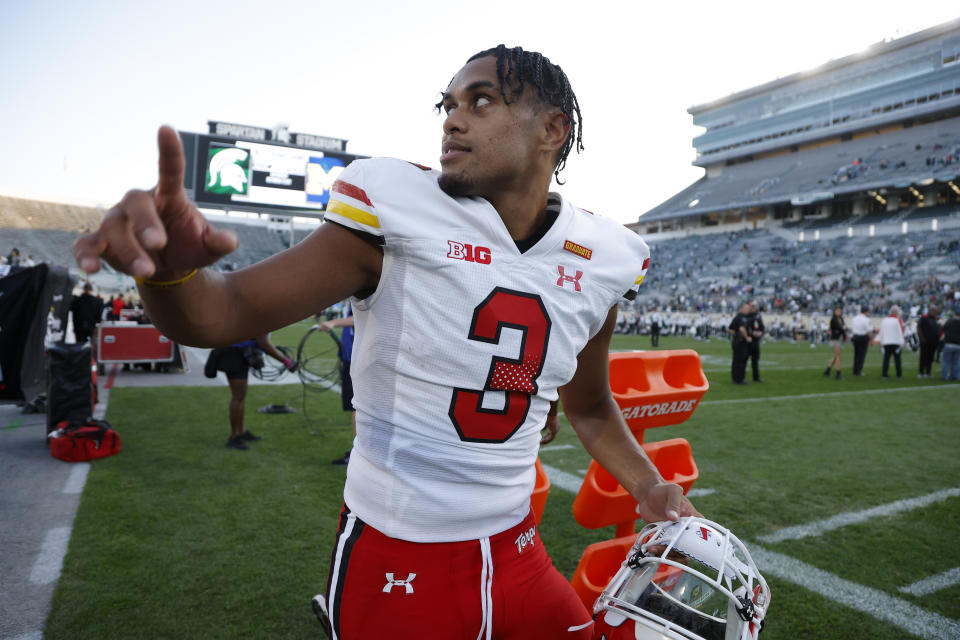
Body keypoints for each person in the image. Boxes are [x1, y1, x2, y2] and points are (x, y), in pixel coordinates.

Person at [72, 45, 698, 639]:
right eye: (447, 105)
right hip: (398, 548)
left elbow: (587, 405)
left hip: (517, 548)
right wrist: (174, 273)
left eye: (480, 101)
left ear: (552, 130)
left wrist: (648, 485)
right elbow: (219, 313)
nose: (452, 120)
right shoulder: (396, 210)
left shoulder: (604, 256)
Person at [205, 334, 297, 450]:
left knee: (241, 396)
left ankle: (241, 432)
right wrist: (287, 361)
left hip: (237, 352)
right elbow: (264, 344)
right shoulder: (263, 318)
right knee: (237, 397)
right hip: (233, 353)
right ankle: (234, 437)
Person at [318, 304, 356, 466]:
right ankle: (358, 451)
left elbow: (359, 318)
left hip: (358, 360)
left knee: (357, 408)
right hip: (350, 358)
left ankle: (358, 453)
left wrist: (334, 322)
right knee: (354, 408)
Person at [728, 302, 751, 385]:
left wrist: (736, 335)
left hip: (736, 341)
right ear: (741, 308)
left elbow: (730, 329)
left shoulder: (736, 317)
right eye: (746, 308)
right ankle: (740, 379)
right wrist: (746, 337)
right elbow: (742, 329)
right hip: (741, 342)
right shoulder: (742, 318)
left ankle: (735, 378)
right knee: (741, 361)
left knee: (735, 361)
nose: (748, 310)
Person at [879, 305, 905, 379]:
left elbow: (882, 332)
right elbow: (901, 332)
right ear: (897, 312)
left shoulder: (884, 320)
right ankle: (899, 375)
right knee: (897, 360)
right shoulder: (898, 320)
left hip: (886, 342)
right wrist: (902, 342)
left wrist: (881, 343)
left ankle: (884, 374)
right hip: (896, 342)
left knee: (886, 360)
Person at [916, 307, 940, 378]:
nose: (934, 312)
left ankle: (928, 372)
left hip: (933, 342)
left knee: (930, 357)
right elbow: (919, 327)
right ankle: (921, 372)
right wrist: (922, 338)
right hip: (925, 341)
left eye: (935, 311)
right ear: (929, 311)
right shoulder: (924, 318)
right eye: (933, 310)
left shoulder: (935, 319)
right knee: (923, 357)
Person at [850, 305, 873, 376]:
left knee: (856, 354)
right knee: (861, 355)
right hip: (862, 337)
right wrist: (871, 339)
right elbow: (869, 331)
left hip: (855, 337)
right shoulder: (866, 319)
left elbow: (852, 329)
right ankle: (858, 370)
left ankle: (855, 369)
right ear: (866, 312)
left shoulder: (854, 318)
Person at [745, 300, 765, 382]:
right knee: (743, 361)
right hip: (747, 341)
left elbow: (762, 327)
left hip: (756, 341)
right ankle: (741, 378)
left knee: (755, 360)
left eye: (754, 306)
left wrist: (761, 332)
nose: (753, 307)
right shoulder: (745, 315)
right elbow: (744, 327)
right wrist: (752, 333)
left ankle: (756, 377)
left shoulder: (757, 315)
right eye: (751, 306)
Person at [824, 306, 845, 380]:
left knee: (837, 356)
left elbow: (842, 329)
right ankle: (838, 373)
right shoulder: (833, 320)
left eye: (840, 311)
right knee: (838, 356)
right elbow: (840, 329)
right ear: (834, 312)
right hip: (835, 339)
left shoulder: (841, 319)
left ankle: (828, 370)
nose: (839, 312)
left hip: (840, 339)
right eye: (837, 311)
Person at [940, 310, 960, 381]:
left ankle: (944, 376)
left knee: (946, 361)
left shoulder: (949, 322)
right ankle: (955, 376)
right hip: (958, 344)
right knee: (956, 362)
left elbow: (942, 329)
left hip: (949, 344)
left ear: (954, 315)